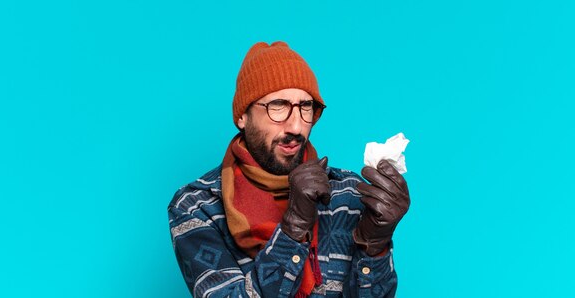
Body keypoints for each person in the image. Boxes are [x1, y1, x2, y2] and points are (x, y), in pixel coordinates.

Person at [167, 41, 410, 298]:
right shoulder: (197, 206)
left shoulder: (349, 193)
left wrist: (375, 245)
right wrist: (292, 228)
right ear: (243, 116)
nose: (296, 126)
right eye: (278, 106)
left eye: (306, 107)